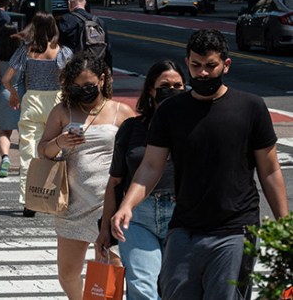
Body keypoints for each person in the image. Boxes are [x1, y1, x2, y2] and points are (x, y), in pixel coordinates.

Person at [112, 29, 289, 300]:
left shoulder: (251, 107)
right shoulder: (171, 112)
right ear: (187, 63)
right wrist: (127, 205)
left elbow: (270, 170)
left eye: (210, 66)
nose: (203, 73)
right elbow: (149, 167)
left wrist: (284, 227)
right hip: (184, 228)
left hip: (236, 228)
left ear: (226, 65)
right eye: (195, 66)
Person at [37, 54, 134, 299]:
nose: (83, 91)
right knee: (67, 273)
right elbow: (43, 150)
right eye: (76, 87)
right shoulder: (62, 111)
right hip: (72, 203)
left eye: (88, 85)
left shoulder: (121, 112)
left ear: (102, 80)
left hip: (109, 204)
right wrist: (60, 141)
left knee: (113, 270)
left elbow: (138, 154)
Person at [95, 59, 184, 300]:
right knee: (142, 289)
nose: (172, 90)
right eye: (165, 85)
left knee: (177, 289)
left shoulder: (194, 127)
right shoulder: (132, 128)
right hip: (137, 216)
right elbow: (114, 182)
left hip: (182, 215)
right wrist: (104, 230)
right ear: (150, 91)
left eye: (178, 85)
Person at [0, 12, 73, 217]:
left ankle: (27, 201)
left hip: (32, 100)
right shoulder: (62, 52)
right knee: (54, 150)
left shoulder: (26, 51)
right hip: (56, 102)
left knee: (28, 153)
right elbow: (70, 78)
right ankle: (52, 196)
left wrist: (14, 95)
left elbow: (7, 79)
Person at [0, 23, 22, 178]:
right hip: (22, 92)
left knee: (4, 131)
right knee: (24, 130)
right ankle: (25, 164)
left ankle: (5, 158)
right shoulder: (22, 52)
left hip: (5, 93)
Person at [58, 0, 112, 68]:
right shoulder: (99, 21)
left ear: (69, 3)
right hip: (95, 67)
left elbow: (59, 44)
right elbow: (108, 49)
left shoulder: (66, 20)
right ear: (85, 3)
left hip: (76, 67)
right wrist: (108, 70)